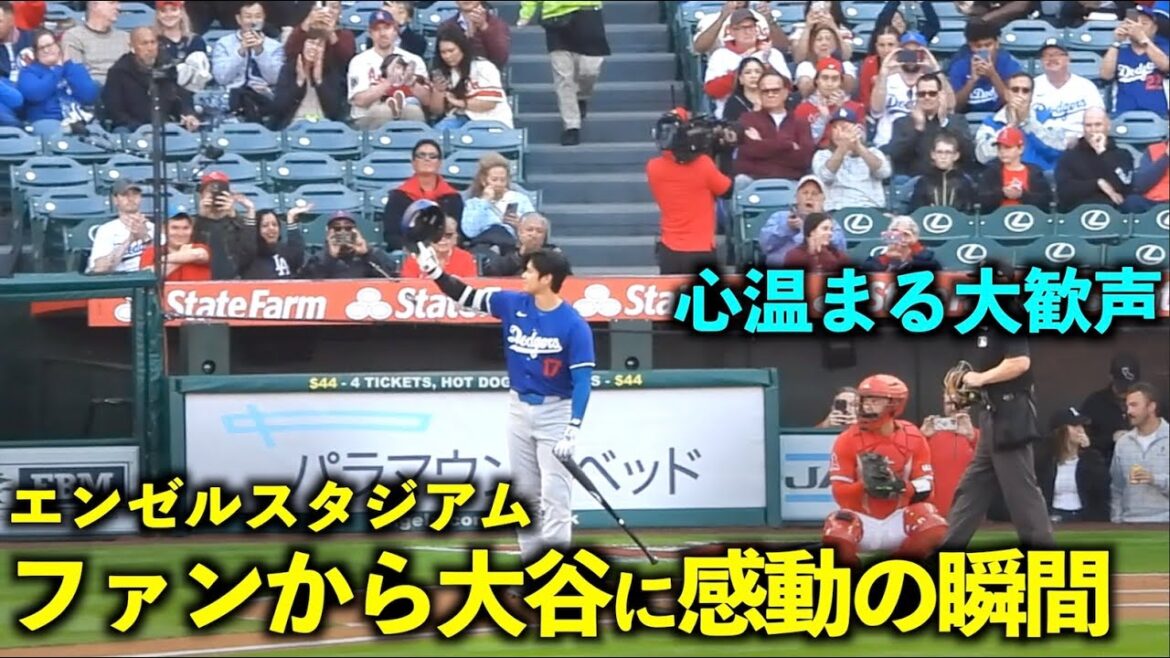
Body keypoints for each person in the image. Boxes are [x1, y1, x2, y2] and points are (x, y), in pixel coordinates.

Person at [413, 241, 596, 569]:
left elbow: (583, 380)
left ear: (547, 279)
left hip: (556, 410)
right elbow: (466, 296)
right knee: (526, 494)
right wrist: (436, 273)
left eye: (530, 270)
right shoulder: (513, 303)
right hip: (518, 408)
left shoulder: (573, 324)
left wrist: (574, 427)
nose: (523, 275)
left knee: (556, 496)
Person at [941, 324, 1056, 550]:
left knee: (1021, 494)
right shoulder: (986, 331)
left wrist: (981, 378)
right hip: (991, 415)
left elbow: (1020, 362)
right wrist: (975, 390)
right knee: (972, 487)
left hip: (1010, 415)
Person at [822, 374, 948, 568]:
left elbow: (928, 486)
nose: (866, 406)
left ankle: (898, 568)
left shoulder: (914, 437)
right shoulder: (846, 439)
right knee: (836, 530)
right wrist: (867, 485)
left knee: (935, 524)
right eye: (863, 400)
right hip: (862, 519)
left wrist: (899, 486)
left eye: (874, 400)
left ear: (895, 404)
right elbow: (840, 493)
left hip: (898, 516)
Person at [517, 1, 610, 146]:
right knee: (563, 77)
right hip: (555, 18)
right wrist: (526, 13)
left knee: (590, 70)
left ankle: (581, 96)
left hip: (588, 13)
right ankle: (571, 126)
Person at [1036, 406, 1111, 523]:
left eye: (1081, 426)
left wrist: (1089, 452)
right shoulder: (1046, 461)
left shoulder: (1091, 458)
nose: (1080, 430)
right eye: (1075, 426)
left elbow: (1103, 486)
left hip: (1084, 517)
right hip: (1055, 516)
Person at [1109, 383, 1169, 523]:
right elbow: (1116, 488)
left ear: (1151, 407)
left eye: (1134, 405)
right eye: (1127, 406)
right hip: (1129, 521)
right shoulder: (1123, 443)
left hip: (1165, 522)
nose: (1129, 411)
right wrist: (1116, 519)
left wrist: (1154, 479)